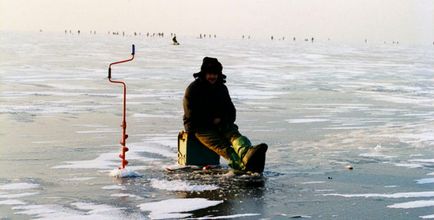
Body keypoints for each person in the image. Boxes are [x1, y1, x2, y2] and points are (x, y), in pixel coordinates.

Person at [183, 57, 268, 173]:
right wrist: (211, 121)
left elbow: (231, 111)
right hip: (199, 126)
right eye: (210, 74)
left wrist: (222, 119)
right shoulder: (193, 89)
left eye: (215, 74)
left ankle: (247, 153)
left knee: (233, 134)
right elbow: (191, 115)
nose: (212, 77)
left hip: (220, 122)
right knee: (221, 145)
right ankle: (240, 165)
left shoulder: (221, 88)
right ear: (204, 74)